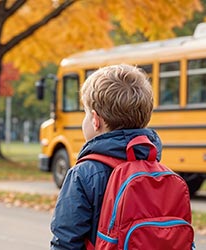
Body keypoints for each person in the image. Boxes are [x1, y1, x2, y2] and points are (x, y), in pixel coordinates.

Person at [50, 64, 162, 249]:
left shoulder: (84, 174)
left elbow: (66, 241)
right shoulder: (158, 171)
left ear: (95, 120)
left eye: (85, 113)